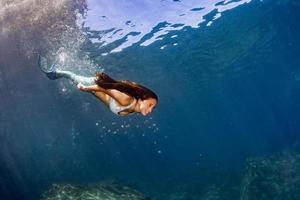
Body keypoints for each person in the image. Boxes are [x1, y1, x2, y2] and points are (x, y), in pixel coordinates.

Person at [38, 55, 158, 116]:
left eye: (153, 108)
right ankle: (52, 73)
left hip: (95, 91)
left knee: (73, 77)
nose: (151, 110)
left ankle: (55, 73)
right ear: (142, 99)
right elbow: (103, 88)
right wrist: (85, 88)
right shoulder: (127, 100)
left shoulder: (133, 109)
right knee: (72, 76)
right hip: (94, 85)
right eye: (150, 105)